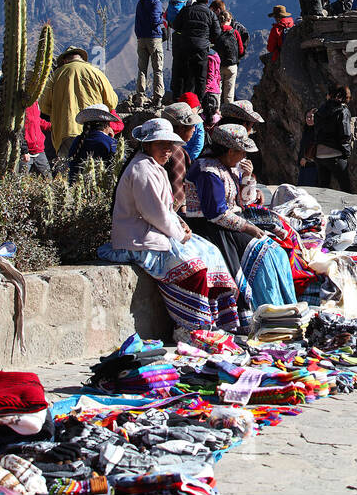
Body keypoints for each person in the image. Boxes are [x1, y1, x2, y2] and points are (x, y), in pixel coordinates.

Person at [100, 118, 244, 333]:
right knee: (193, 269)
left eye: (170, 145)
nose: (167, 150)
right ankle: (192, 326)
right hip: (139, 239)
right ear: (147, 145)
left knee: (211, 252)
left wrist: (181, 225)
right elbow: (155, 213)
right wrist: (180, 233)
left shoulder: (152, 167)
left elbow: (164, 210)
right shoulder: (142, 170)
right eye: (161, 144)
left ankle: (214, 321)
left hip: (154, 233)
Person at [182, 124, 295, 311]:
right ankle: (265, 311)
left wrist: (247, 178)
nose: (244, 156)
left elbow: (243, 200)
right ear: (229, 150)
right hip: (212, 229)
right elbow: (216, 213)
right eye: (241, 151)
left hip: (229, 224)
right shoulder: (207, 170)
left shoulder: (228, 167)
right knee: (265, 255)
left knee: (277, 251)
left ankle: (283, 309)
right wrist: (250, 228)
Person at [39, 46, 120, 157]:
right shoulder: (96, 73)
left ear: (65, 60)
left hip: (66, 130)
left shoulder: (56, 75)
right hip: (94, 130)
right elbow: (112, 102)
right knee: (93, 166)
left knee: (70, 168)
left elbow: (44, 106)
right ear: (81, 58)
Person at [172, 0, 221, 102]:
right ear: (207, 1)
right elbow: (217, 33)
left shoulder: (186, 10)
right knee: (200, 77)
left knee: (183, 75)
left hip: (185, 47)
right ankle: (199, 103)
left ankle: (179, 101)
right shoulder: (210, 14)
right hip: (201, 49)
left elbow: (176, 25)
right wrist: (207, 39)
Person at [160, 102, 202, 210]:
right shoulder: (176, 152)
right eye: (192, 126)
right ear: (181, 128)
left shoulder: (157, 148)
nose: (194, 129)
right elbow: (176, 196)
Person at [312, 86, 354, 192]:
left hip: (319, 154)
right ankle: (348, 209)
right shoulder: (343, 111)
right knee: (346, 189)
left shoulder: (320, 109)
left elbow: (317, 131)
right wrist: (346, 153)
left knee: (323, 189)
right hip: (335, 154)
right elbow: (345, 134)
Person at [134, 0, 168, 108]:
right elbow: (155, 20)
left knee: (142, 69)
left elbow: (137, 19)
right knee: (157, 69)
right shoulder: (156, 3)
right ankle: (158, 98)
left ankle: (140, 98)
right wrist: (163, 19)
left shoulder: (141, 2)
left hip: (141, 38)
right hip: (154, 38)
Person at [67, 104, 118, 179]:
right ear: (106, 125)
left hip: (76, 186)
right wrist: (111, 139)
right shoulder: (110, 142)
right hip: (101, 186)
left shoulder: (77, 140)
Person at [212, 7, 241, 106]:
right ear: (229, 20)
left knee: (217, 91)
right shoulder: (235, 32)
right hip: (232, 65)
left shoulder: (217, 33)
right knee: (229, 93)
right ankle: (229, 115)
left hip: (219, 65)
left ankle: (216, 113)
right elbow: (241, 49)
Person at [21, 101, 52, 177]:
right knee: (21, 182)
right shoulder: (21, 105)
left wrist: (50, 126)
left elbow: (37, 120)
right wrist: (24, 150)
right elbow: (19, 130)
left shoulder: (35, 103)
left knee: (48, 179)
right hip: (26, 152)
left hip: (39, 149)